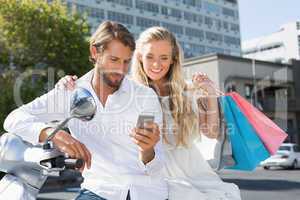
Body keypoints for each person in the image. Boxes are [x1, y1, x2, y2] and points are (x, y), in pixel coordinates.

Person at [57, 26, 241, 200]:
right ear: (139, 58)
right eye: (150, 56)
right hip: (148, 174)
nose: (156, 64)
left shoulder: (188, 91)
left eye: (164, 57)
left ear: (173, 59)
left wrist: (208, 93)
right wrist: (68, 85)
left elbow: (210, 132)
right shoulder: (126, 91)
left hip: (193, 172)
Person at [3, 21, 169, 200]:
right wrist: (51, 133)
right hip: (98, 190)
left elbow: (156, 166)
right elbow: (13, 119)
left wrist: (148, 150)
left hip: (146, 193)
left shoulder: (144, 96)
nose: (121, 70)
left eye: (126, 62)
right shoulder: (69, 92)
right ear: (95, 52)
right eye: (114, 60)